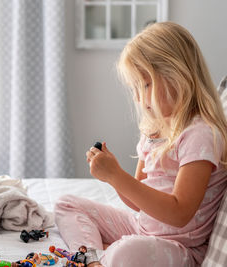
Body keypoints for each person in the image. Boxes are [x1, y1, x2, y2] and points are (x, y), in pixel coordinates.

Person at [54, 21, 227, 267]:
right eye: (134, 88)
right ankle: (92, 260)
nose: (137, 98)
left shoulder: (200, 134)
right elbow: (136, 202)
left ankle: (106, 255)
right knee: (66, 204)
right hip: (141, 228)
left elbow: (180, 213)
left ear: (177, 75)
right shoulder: (154, 130)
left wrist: (116, 177)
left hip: (180, 247)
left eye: (145, 85)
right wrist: (113, 176)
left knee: (128, 252)